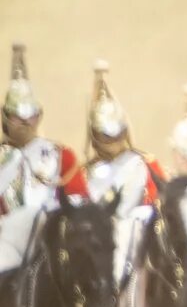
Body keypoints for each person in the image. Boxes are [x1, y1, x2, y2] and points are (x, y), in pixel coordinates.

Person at [1, 44, 85, 211]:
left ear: (39, 115)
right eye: (17, 115)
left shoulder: (61, 155)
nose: (25, 121)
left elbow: (79, 202)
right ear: (5, 116)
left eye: (30, 115)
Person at [78, 62, 158, 208]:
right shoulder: (83, 173)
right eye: (105, 136)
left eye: (117, 134)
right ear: (95, 134)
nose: (112, 141)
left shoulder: (145, 164)